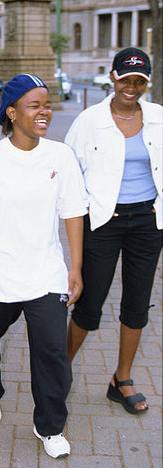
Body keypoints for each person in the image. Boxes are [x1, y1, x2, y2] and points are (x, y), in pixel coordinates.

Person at [0, 74, 88, 459]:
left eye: (47, 104)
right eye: (35, 105)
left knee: (51, 352)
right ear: (12, 112)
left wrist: (75, 267)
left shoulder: (60, 157)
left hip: (45, 272)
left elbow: (73, 213)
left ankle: (50, 425)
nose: (44, 111)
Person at [65, 47, 162, 414]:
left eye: (139, 81)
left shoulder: (157, 118)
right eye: (125, 79)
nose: (131, 87)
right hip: (102, 221)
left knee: (137, 304)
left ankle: (121, 380)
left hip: (147, 222)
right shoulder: (89, 120)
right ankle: (60, 371)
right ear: (113, 78)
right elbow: (69, 169)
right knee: (89, 304)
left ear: (146, 84)